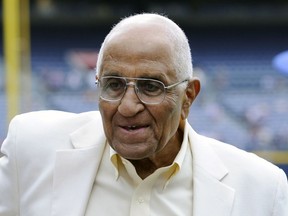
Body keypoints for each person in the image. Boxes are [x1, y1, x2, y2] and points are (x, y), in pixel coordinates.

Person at [0, 13, 287, 216]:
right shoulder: (30, 149)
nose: (127, 106)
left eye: (151, 87)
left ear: (188, 97)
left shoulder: (260, 190)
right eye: (113, 85)